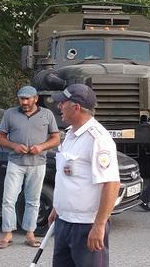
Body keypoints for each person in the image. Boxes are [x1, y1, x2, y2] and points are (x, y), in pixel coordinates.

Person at [49, 83, 121, 267]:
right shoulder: (70, 136)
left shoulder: (98, 139)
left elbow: (111, 184)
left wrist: (99, 225)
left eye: (62, 103)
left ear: (76, 107)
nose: (59, 107)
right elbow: (68, 178)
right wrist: (58, 208)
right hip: (64, 221)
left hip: (86, 225)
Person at [0, 85, 60, 249]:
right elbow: (0, 139)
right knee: (8, 199)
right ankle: (7, 234)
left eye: (27, 98)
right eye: (21, 98)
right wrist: (14, 145)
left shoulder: (47, 114)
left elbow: (56, 138)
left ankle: (30, 234)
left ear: (35, 99)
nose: (24, 102)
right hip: (15, 163)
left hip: (38, 164)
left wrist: (42, 147)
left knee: (33, 200)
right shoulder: (10, 114)